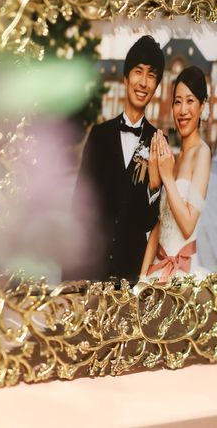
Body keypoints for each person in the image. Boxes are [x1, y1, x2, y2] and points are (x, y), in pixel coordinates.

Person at [73, 35, 165, 282]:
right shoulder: (99, 135)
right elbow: (79, 207)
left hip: (131, 274)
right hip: (93, 271)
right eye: (138, 71)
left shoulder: (158, 142)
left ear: (156, 86)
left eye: (151, 75)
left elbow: (149, 222)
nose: (143, 82)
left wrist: (154, 186)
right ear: (125, 78)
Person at [139, 65, 211, 283]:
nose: (183, 110)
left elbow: (188, 226)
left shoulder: (202, 153)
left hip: (182, 274)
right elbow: (159, 224)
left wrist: (167, 177)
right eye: (177, 102)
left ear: (202, 105)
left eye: (190, 101)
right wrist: (142, 277)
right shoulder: (174, 158)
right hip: (158, 268)